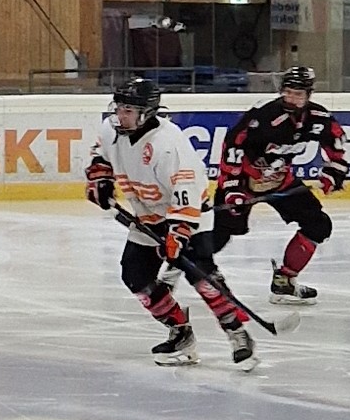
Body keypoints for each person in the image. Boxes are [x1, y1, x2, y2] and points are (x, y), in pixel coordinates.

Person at [87, 80, 285, 370]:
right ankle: (181, 333)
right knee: (135, 277)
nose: (120, 114)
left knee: (203, 277)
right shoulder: (112, 131)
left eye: (128, 109)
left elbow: (187, 192)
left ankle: (237, 333)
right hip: (147, 215)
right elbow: (100, 157)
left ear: (147, 112)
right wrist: (100, 180)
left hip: (189, 215)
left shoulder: (168, 144)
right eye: (118, 108)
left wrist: (177, 234)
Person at [207, 65, 349, 305]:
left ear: (309, 95)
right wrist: (230, 187)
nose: (291, 98)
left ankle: (285, 281)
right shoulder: (263, 115)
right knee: (220, 234)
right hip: (244, 180)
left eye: (298, 94)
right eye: (288, 92)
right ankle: (181, 265)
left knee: (318, 225)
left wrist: (333, 173)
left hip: (281, 181)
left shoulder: (318, 118)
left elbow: (336, 142)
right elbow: (233, 144)